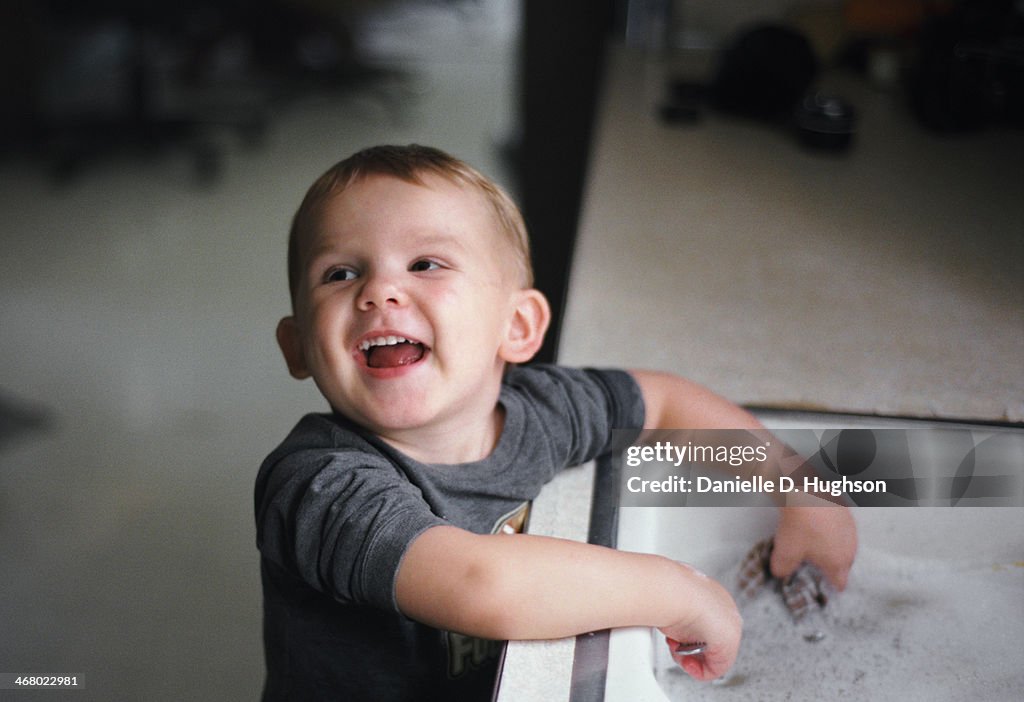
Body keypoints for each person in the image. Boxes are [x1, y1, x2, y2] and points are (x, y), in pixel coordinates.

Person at [255, 144, 857, 701]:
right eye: (340, 273)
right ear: (299, 345)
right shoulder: (317, 485)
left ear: (516, 326)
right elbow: (478, 582)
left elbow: (666, 402)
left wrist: (800, 487)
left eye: (426, 263)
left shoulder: (542, 411)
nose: (379, 290)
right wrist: (681, 592)